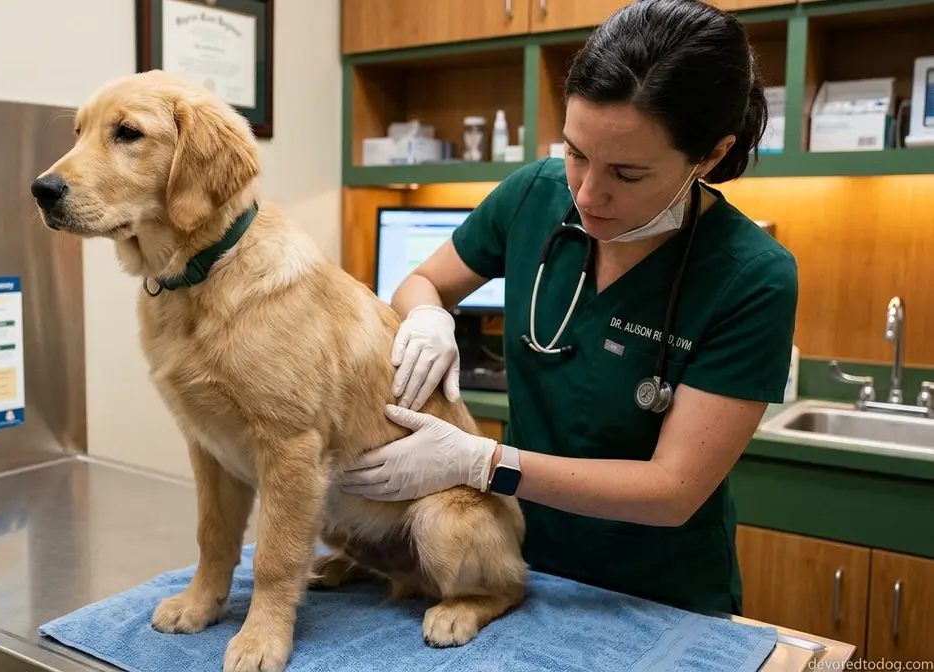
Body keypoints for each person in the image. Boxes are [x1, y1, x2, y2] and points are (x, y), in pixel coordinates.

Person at [340, 0, 799, 617]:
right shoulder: (533, 195)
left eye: (627, 173)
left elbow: (674, 490)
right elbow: (423, 281)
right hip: (507, 560)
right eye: (576, 152)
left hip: (657, 591)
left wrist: (483, 461)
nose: (586, 193)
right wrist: (427, 316)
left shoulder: (751, 278)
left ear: (710, 156)